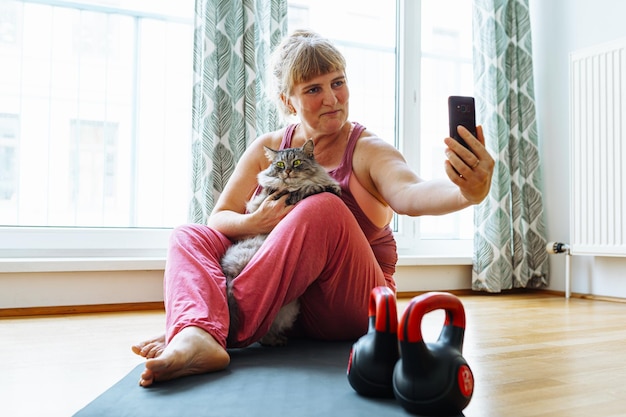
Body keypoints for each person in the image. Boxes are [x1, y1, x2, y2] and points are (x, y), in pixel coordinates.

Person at [131, 29, 494, 387]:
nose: (332, 99)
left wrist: (466, 193)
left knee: (324, 207)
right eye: (313, 89)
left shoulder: (367, 149)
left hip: (349, 306)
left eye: (338, 82)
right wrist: (256, 221)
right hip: (280, 307)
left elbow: (411, 193)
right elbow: (220, 218)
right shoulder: (269, 148)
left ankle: (204, 331)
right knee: (189, 235)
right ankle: (198, 330)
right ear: (289, 101)